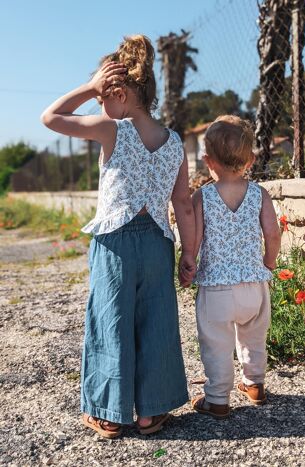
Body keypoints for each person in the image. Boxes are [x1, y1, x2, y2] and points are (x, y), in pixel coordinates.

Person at [41, 35, 196, 438]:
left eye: (102, 96)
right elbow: (183, 203)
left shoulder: (111, 130)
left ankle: (110, 413)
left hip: (115, 242)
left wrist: (86, 88)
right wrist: (189, 254)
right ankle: (151, 412)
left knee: (110, 321)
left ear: (120, 94)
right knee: (157, 322)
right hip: (159, 243)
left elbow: (50, 117)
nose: (99, 104)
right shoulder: (175, 143)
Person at [190, 115, 280, 419]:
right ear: (251, 160)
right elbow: (272, 233)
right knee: (254, 337)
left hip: (216, 287)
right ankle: (254, 384)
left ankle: (217, 399)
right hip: (254, 286)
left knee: (216, 345)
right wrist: (268, 262)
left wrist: (186, 262)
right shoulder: (260, 194)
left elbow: (195, 239)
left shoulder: (202, 197)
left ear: (207, 161)